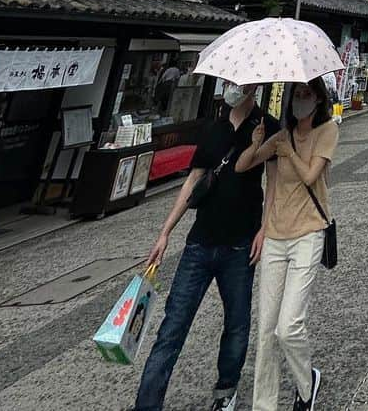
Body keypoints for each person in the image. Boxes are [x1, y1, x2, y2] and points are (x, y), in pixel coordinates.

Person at [134, 81, 277, 411]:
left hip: (241, 242)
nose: (233, 88)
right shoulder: (214, 127)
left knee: (237, 323)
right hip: (199, 242)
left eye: (241, 84)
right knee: (173, 325)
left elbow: (273, 183)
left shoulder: (267, 125)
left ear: (255, 88)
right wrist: (165, 231)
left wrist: (264, 229)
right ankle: (147, 403)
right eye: (230, 83)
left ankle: (226, 390)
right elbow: (193, 182)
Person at [238, 79, 338, 411]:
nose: (300, 100)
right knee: (266, 330)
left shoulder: (327, 132)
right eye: (296, 94)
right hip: (276, 238)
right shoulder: (280, 136)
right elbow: (243, 166)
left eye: (307, 94)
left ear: (319, 99)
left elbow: (310, 176)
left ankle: (307, 384)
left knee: (288, 326)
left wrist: (288, 152)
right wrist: (255, 144)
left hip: (308, 234)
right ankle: (263, 405)